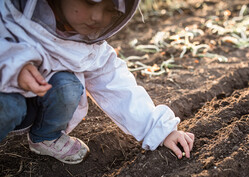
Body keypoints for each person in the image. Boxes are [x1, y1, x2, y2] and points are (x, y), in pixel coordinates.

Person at [0, 0, 194, 164]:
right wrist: (13, 67)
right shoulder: (8, 10)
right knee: (9, 106)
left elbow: (115, 85)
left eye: (110, 9)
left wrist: (160, 130)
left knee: (68, 86)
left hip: (37, 103)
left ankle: (45, 136)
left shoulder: (88, 44)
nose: (98, 17)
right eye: (90, 2)